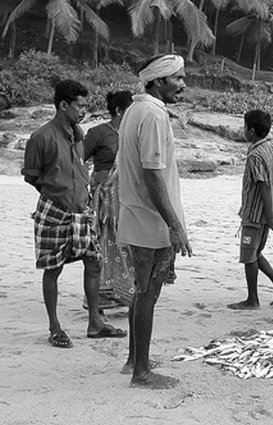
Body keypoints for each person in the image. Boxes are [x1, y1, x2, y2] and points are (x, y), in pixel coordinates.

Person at [22, 79, 126, 349]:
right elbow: (31, 177)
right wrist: (57, 192)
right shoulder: (40, 138)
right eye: (79, 106)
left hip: (82, 209)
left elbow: (80, 164)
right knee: (52, 268)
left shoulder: (77, 134)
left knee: (93, 262)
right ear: (63, 105)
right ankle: (55, 327)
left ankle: (95, 322)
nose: (84, 111)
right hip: (55, 210)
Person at [117, 54, 192, 389]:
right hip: (150, 222)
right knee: (148, 293)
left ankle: (135, 359)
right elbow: (152, 175)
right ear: (159, 80)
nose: (183, 84)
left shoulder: (135, 109)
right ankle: (141, 372)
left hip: (138, 216)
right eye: (178, 77)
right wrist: (175, 225)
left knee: (141, 290)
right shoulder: (152, 114)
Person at [227, 110, 273, 310]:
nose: (243, 130)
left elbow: (263, 186)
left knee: (249, 255)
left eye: (245, 127)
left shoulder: (255, 155)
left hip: (255, 215)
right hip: (262, 214)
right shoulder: (266, 148)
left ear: (251, 131)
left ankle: (252, 299)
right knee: (255, 252)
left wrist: (269, 217)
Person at [84, 91, 135, 309]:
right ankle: (102, 295)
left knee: (126, 245)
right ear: (119, 111)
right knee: (103, 245)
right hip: (104, 201)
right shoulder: (98, 133)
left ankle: (123, 293)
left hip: (126, 200)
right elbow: (79, 159)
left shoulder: (133, 134)